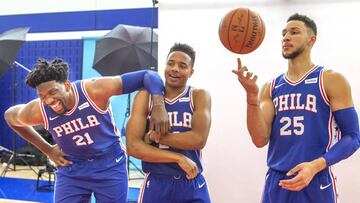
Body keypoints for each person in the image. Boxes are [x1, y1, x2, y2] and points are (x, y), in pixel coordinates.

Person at [233, 13, 360, 203]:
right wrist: (252, 97)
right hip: (277, 181)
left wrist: (316, 165)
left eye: (294, 32)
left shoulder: (330, 80)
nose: (286, 37)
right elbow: (259, 139)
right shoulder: (271, 87)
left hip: (316, 179)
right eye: (284, 33)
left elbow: (353, 136)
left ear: (311, 40)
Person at [4, 58, 169, 203]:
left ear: (67, 85)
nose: (48, 100)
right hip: (72, 168)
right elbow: (10, 117)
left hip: (109, 164)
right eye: (42, 96)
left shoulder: (93, 91)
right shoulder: (39, 110)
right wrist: (48, 150)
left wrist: (158, 105)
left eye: (53, 92)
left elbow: (148, 76)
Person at [126, 43, 212, 203]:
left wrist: (155, 137)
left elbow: (198, 139)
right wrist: (178, 157)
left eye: (182, 66)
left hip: (190, 181)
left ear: (191, 72)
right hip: (157, 182)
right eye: (170, 63)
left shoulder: (198, 96)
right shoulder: (145, 97)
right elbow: (133, 147)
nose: (175, 69)